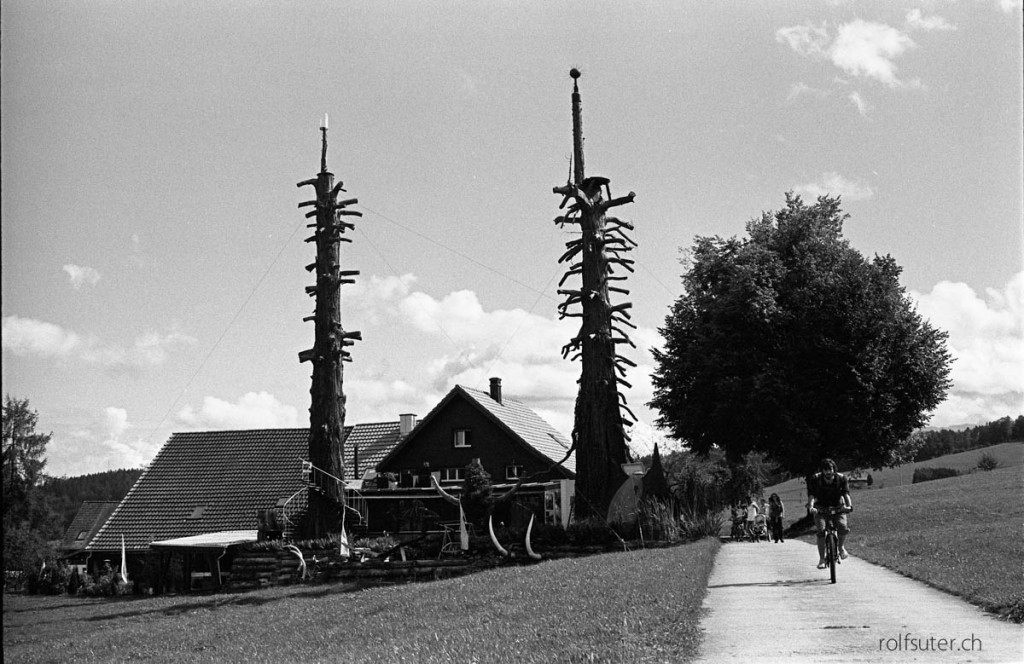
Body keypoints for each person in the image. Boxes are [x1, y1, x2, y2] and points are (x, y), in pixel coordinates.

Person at [806, 458, 852, 568]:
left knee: (842, 527)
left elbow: (846, 494)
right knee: (821, 531)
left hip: (838, 507)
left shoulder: (841, 478)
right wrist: (811, 507)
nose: (828, 472)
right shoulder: (816, 479)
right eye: (825, 470)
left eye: (830, 469)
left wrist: (849, 506)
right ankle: (822, 559)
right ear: (822, 471)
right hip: (820, 508)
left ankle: (841, 547)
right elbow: (811, 495)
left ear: (834, 469)